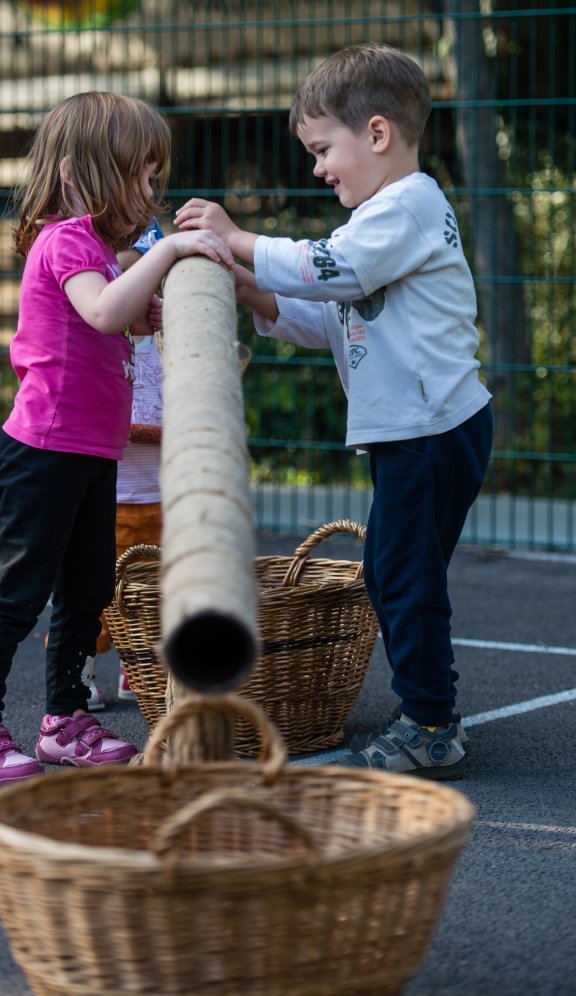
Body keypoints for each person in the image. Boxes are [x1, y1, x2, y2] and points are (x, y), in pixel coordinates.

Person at [175, 43, 492, 780]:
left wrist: (239, 237)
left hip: (430, 431)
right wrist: (256, 293)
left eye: (324, 149)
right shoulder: (386, 219)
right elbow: (337, 316)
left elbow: (335, 270)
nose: (318, 168)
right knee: (392, 573)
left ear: (377, 135)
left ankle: (432, 723)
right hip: (420, 432)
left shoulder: (406, 205)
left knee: (404, 577)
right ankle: (427, 706)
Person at [0, 91, 233, 788]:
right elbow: (101, 312)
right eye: (140, 175)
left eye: (154, 177)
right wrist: (169, 256)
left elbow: (113, 321)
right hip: (44, 454)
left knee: (87, 591)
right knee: (18, 593)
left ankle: (64, 720)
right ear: (81, 174)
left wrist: (153, 306)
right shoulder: (66, 238)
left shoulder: (98, 249)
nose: (150, 191)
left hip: (91, 453)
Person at [84, 220, 165, 709]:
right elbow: (114, 418)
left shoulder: (165, 344)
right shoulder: (110, 344)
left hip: (160, 498)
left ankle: (138, 669)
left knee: (150, 593)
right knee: (95, 594)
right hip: (112, 499)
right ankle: (83, 670)